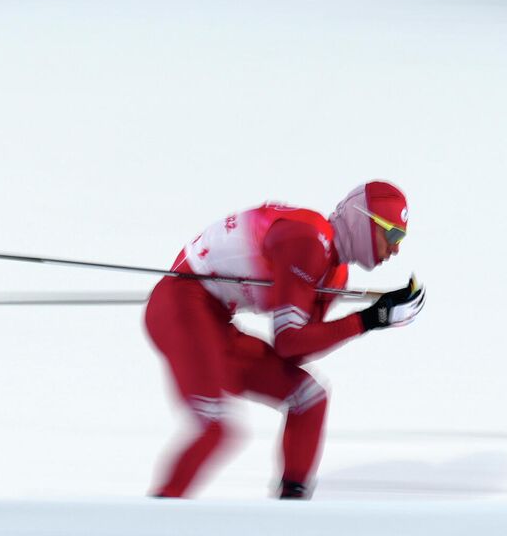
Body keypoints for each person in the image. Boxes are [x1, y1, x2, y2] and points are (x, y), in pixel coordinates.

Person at [144, 181, 425, 499]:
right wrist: (369, 320)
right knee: (216, 426)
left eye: (400, 239)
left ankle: (290, 511)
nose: (396, 248)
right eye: (392, 234)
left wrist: (370, 320)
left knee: (309, 398)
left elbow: (296, 351)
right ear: (364, 222)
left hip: (215, 322)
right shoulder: (309, 239)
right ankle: (154, 518)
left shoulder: (335, 274)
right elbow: (289, 341)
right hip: (182, 305)